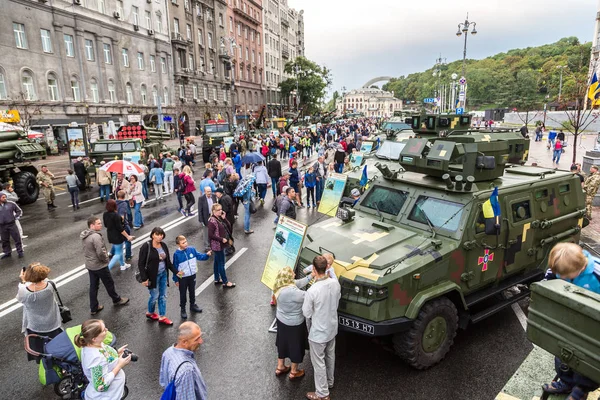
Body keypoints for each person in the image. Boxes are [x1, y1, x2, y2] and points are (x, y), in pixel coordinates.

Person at [542, 243, 600, 399]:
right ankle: (566, 382)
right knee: (562, 353)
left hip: (593, 327)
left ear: (580, 268)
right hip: (569, 322)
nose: (561, 278)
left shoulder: (596, 274)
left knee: (588, 358)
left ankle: (582, 389)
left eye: (566, 276)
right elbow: (547, 282)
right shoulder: (561, 269)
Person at [303, 255, 341, 400]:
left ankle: (322, 393)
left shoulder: (312, 291)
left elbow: (306, 312)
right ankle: (330, 382)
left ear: (314, 268)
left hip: (318, 331)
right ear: (327, 268)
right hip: (332, 327)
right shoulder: (335, 283)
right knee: (331, 356)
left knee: (318, 362)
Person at [81, 217, 129, 315]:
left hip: (90, 265)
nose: (100, 225)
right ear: (92, 225)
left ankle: (94, 307)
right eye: (98, 223)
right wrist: (106, 260)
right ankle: (116, 300)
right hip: (99, 265)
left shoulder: (85, 235)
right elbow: (100, 252)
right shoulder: (96, 237)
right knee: (109, 283)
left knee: (93, 286)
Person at [75, 319, 131, 400]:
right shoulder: (95, 358)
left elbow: (104, 356)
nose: (107, 330)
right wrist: (119, 365)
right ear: (94, 338)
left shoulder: (94, 344)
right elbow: (100, 386)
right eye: (103, 330)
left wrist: (117, 353)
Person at [273, 266, 312, 380]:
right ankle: (294, 371)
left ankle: (280, 366)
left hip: (281, 321)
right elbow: (309, 296)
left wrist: (311, 276)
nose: (295, 274)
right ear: (288, 277)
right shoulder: (293, 293)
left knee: (282, 343)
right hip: (295, 325)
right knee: (296, 346)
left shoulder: (279, 285)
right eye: (292, 274)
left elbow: (297, 283)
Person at [17, 263, 63, 360]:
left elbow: (20, 299)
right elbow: (45, 280)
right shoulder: (50, 285)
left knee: (39, 351)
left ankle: (45, 365)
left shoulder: (24, 291)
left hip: (35, 325)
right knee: (57, 347)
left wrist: (24, 280)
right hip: (52, 322)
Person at [138, 227, 177, 326]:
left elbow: (168, 262)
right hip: (152, 277)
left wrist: (178, 273)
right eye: (157, 234)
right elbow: (141, 264)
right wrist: (144, 279)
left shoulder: (163, 245)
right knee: (154, 296)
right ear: (152, 235)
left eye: (161, 235)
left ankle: (162, 316)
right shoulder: (146, 247)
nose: (160, 237)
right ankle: (150, 312)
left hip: (163, 274)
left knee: (162, 296)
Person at [159, 322, 208, 400]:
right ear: (184, 342)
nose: (201, 341)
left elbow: (163, 382)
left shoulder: (168, 352)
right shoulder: (186, 370)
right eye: (197, 339)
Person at [172, 235, 211, 319]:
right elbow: (174, 267)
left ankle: (192, 305)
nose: (185, 244)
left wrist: (206, 255)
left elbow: (199, 256)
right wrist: (176, 279)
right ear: (178, 244)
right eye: (183, 243)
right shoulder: (176, 254)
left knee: (192, 291)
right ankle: (183, 309)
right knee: (183, 293)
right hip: (183, 277)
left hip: (192, 275)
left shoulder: (192, 249)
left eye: (186, 241)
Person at [208, 204, 235, 288]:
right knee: (221, 263)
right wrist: (221, 239)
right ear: (213, 211)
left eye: (221, 209)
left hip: (220, 244)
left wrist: (224, 218)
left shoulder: (219, 218)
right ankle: (225, 282)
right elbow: (210, 235)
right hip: (218, 245)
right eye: (218, 210)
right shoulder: (212, 221)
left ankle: (216, 278)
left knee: (216, 262)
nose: (220, 211)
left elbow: (228, 226)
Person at [103, 199, 133, 271]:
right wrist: (127, 236)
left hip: (110, 235)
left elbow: (106, 225)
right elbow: (120, 228)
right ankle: (108, 269)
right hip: (118, 236)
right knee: (118, 254)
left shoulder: (105, 214)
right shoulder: (116, 215)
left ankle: (122, 264)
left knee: (119, 250)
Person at [0, 192, 23, 259]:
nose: (5, 198)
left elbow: (19, 211)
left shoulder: (11, 203)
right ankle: (7, 252)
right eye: (3, 197)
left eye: (5, 197)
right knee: (4, 240)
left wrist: (16, 217)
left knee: (17, 238)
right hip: (2, 226)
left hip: (11, 224)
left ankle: (20, 252)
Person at [197, 186, 217, 251]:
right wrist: (201, 220)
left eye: (210, 191)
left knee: (214, 230)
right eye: (208, 191)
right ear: (205, 192)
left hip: (213, 216)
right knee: (206, 232)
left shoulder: (213, 196)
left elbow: (216, 205)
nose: (209, 193)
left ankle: (213, 243)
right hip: (206, 216)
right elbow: (200, 210)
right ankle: (207, 246)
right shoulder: (201, 198)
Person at [115, 190, 132, 262]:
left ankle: (112, 252)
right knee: (127, 240)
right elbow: (122, 216)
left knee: (117, 241)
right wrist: (122, 224)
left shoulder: (114, 203)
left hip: (115, 224)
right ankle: (128, 255)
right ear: (124, 196)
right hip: (123, 225)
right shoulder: (124, 204)